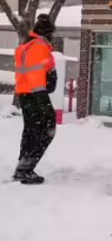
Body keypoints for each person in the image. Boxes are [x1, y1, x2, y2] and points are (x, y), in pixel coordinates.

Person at [12, 14, 58, 185]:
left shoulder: (25, 45)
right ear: (47, 32)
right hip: (36, 94)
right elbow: (38, 75)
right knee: (47, 129)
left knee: (32, 130)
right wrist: (43, 96)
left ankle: (23, 166)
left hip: (25, 94)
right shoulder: (39, 46)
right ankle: (25, 168)